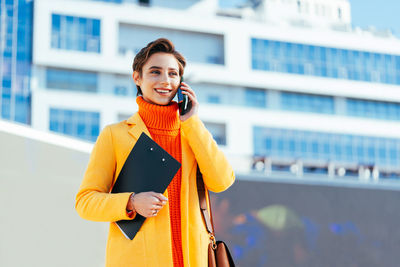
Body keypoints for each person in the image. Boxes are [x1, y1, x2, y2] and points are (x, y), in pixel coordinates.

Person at [75, 38, 235, 267]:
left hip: (194, 260)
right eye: (155, 72)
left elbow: (222, 181)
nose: (165, 81)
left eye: (173, 74)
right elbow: (85, 202)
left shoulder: (192, 134)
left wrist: (193, 122)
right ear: (137, 78)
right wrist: (131, 202)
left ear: (181, 83)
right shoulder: (115, 135)